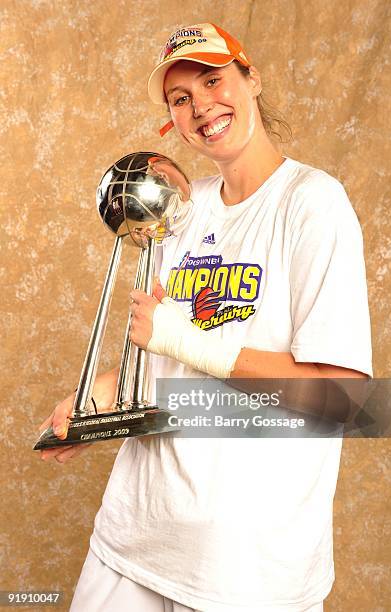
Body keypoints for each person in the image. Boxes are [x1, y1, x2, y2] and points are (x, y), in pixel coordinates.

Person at [39, 23, 372, 612]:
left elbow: (340, 398)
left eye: (213, 81)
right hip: (134, 540)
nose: (202, 107)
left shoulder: (313, 204)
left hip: (245, 569)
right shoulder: (182, 211)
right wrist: (97, 400)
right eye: (181, 98)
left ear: (252, 78)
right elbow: (160, 364)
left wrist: (190, 342)